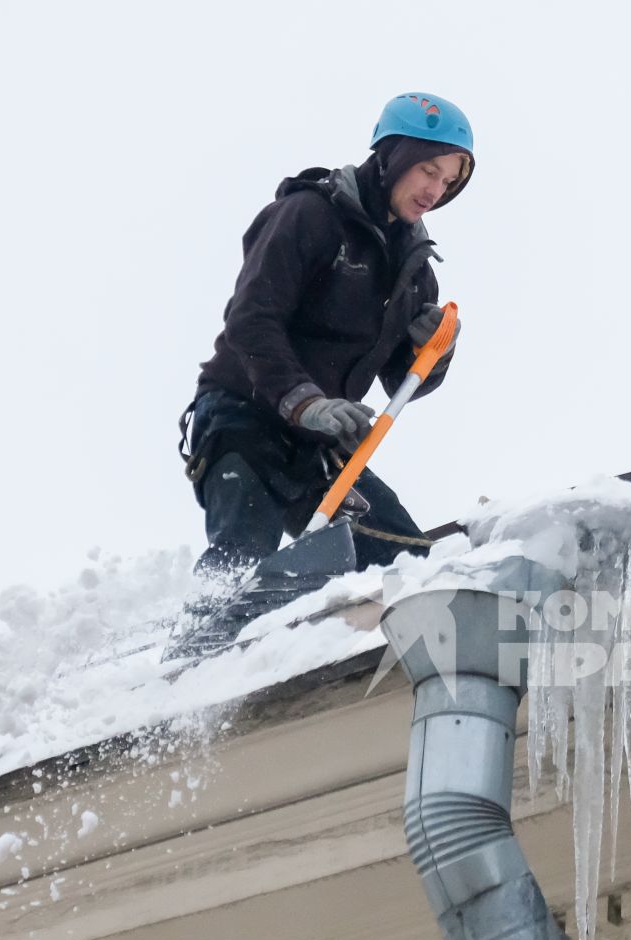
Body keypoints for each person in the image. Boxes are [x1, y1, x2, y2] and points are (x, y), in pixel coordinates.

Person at [181, 92, 473, 577]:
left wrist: (431, 352)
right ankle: (205, 647)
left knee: (410, 565)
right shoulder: (310, 215)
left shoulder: (415, 271)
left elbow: (402, 379)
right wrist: (305, 402)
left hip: (322, 446)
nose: (434, 190)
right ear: (395, 155)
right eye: (429, 170)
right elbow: (251, 320)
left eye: (447, 181)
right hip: (244, 417)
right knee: (239, 568)